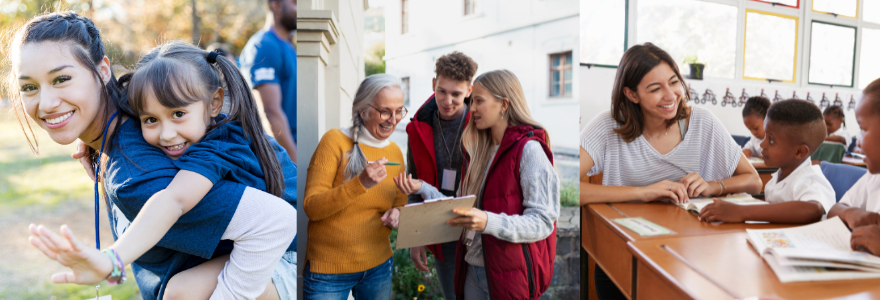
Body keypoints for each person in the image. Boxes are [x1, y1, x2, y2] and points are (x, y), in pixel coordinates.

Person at [9, 12, 295, 300]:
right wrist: (93, 142)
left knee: (180, 293)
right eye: (29, 87)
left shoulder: (137, 176)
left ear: (103, 69)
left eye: (62, 78)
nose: (46, 103)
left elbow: (273, 220)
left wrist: (112, 261)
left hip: (291, 257)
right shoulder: (144, 109)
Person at [578, 43, 762, 299]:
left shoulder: (702, 122)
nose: (671, 95)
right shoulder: (609, 125)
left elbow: (754, 182)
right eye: (655, 89)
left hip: (692, 255)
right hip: (626, 251)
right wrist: (642, 192)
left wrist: (712, 186)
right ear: (632, 94)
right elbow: (562, 188)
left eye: (674, 82)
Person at [395, 70, 559, 299]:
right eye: (472, 102)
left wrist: (487, 221)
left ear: (504, 104)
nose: (471, 109)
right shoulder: (478, 151)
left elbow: (543, 222)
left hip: (509, 276)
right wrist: (422, 187)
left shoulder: (530, 151)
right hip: (472, 270)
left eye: (478, 101)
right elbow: (458, 207)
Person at [302, 74, 407, 299]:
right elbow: (312, 207)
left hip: (378, 265)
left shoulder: (396, 152)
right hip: (329, 271)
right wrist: (360, 184)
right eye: (385, 111)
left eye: (399, 110)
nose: (394, 119)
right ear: (363, 110)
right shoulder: (334, 141)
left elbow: (399, 201)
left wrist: (397, 213)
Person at [404, 51, 477, 300]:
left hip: (479, 227)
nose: (447, 100)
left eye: (456, 94)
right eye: (442, 91)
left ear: (469, 90)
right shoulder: (417, 128)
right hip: (441, 228)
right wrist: (417, 237)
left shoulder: (482, 125)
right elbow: (413, 185)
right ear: (434, 84)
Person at [699, 99, 834, 223]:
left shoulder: (810, 180)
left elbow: (812, 210)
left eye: (771, 139)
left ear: (799, 152)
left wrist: (741, 212)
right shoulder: (778, 178)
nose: (762, 144)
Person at [828, 78, 880, 256]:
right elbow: (834, 211)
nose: (858, 141)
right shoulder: (874, 178)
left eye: (863, 129)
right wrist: (850, 213)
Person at [241, 0, 298, 163]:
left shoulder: (286, 45)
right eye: (295, 3)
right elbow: (270, 112)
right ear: (276, 5)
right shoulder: (264, 46)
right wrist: (294, 168)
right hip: (279, 158)